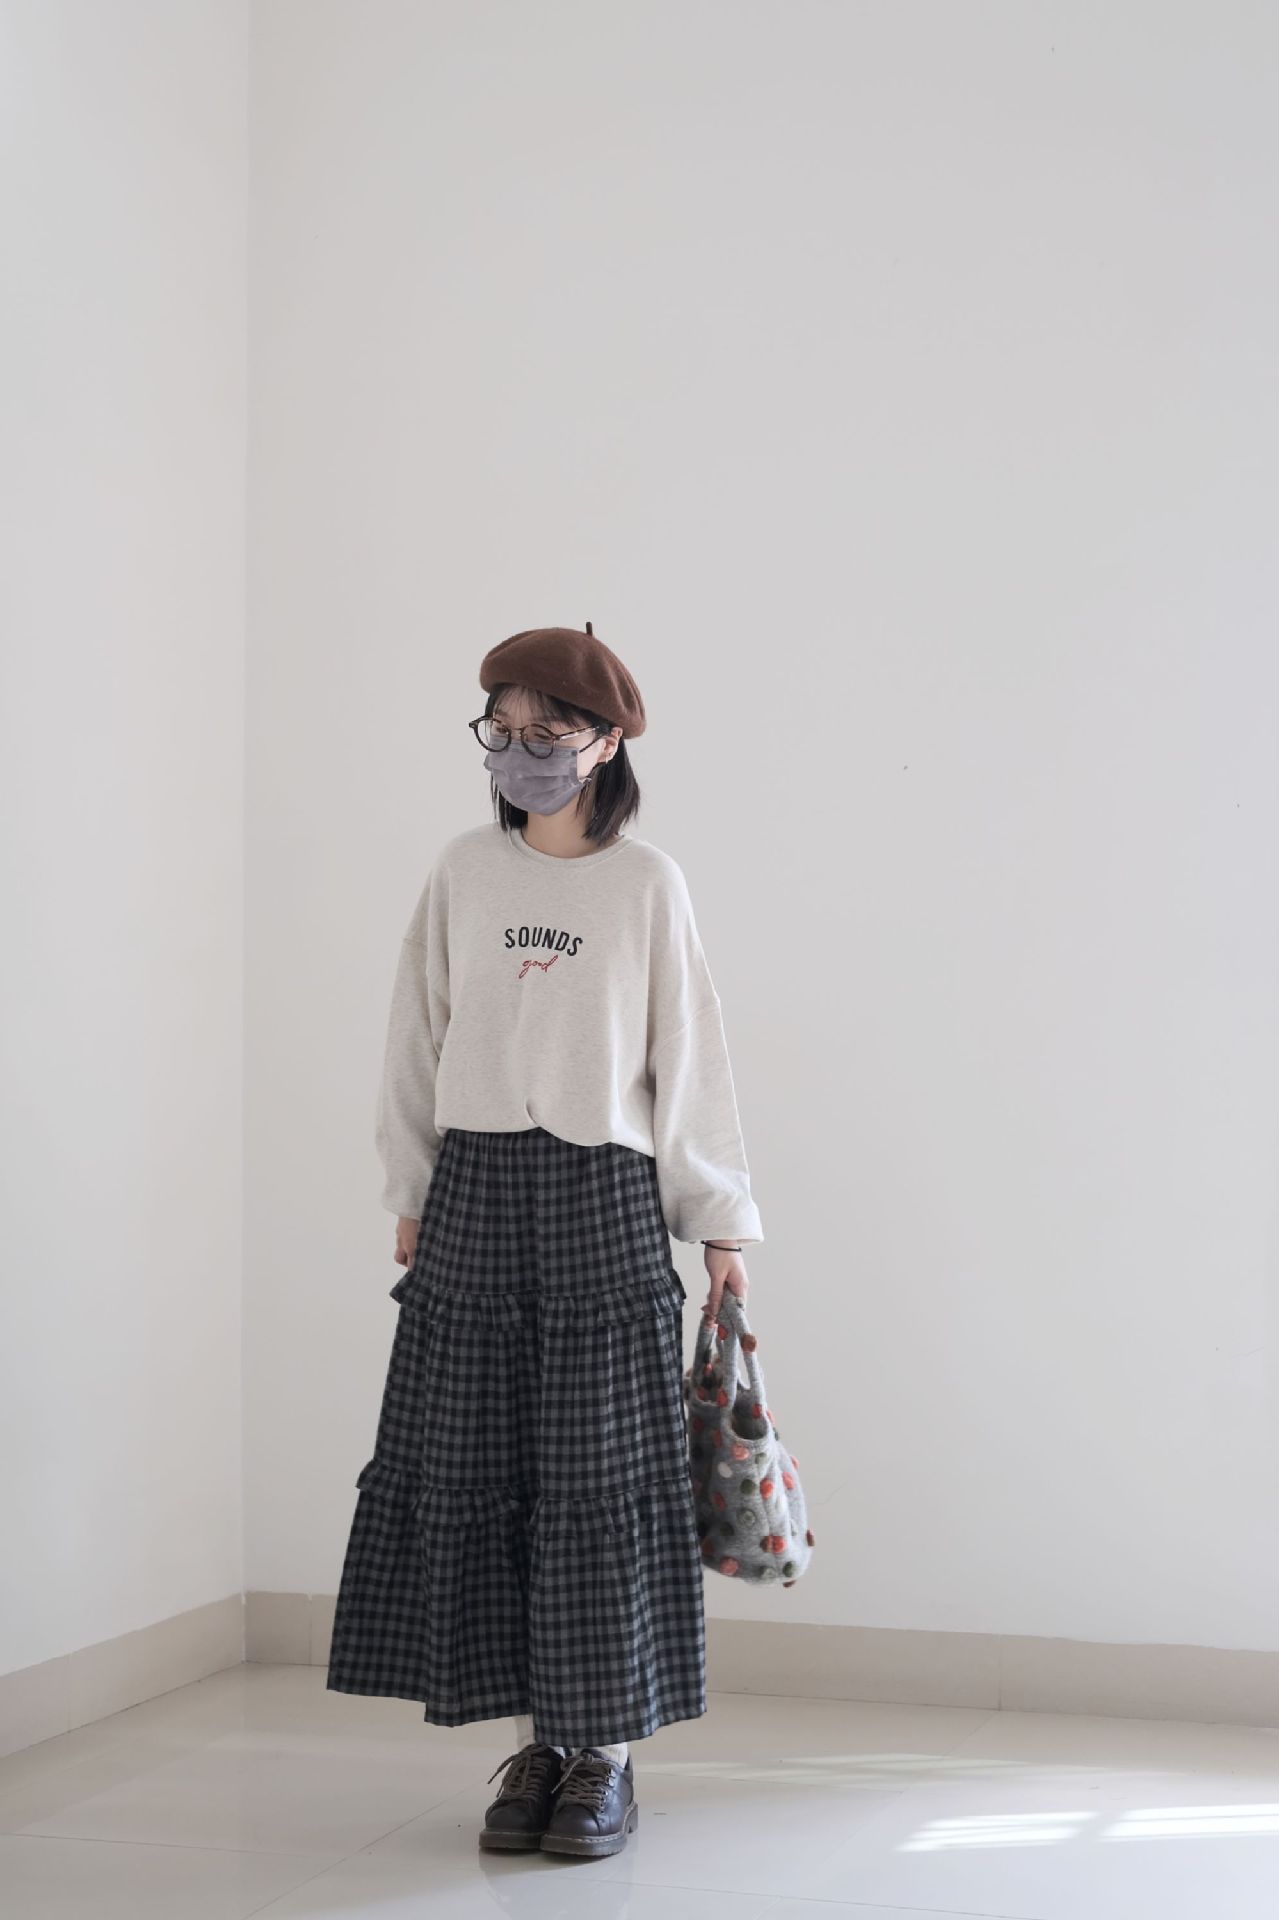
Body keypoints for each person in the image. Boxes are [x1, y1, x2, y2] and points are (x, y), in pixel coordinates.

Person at [325, 621, 764, 1859]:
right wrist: (412, 1185)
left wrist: (720, 1221)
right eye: (503, 732)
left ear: (606, 742)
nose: (521, 753)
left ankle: (602, 1757)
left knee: (596, 1478)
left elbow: (689, 1056)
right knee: (487, 1464)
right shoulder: (465, 870)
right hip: (474, 1191)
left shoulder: (646, 884)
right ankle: (535, 1748)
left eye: (548, 733)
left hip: (601, 1195)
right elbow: (416, 1032)